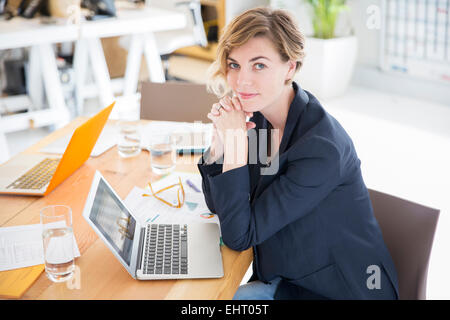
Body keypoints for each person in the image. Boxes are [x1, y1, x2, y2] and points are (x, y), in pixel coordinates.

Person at [197, 7, 399, 300]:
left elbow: (239, 236)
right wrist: (221, 147)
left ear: (290, 68)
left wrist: (237, 145)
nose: (241, 81)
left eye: (259, 65)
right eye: (234, 64)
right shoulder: (261, 119)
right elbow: (222, 206)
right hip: (288, 272)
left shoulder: (321, 149)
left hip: (336, 291)